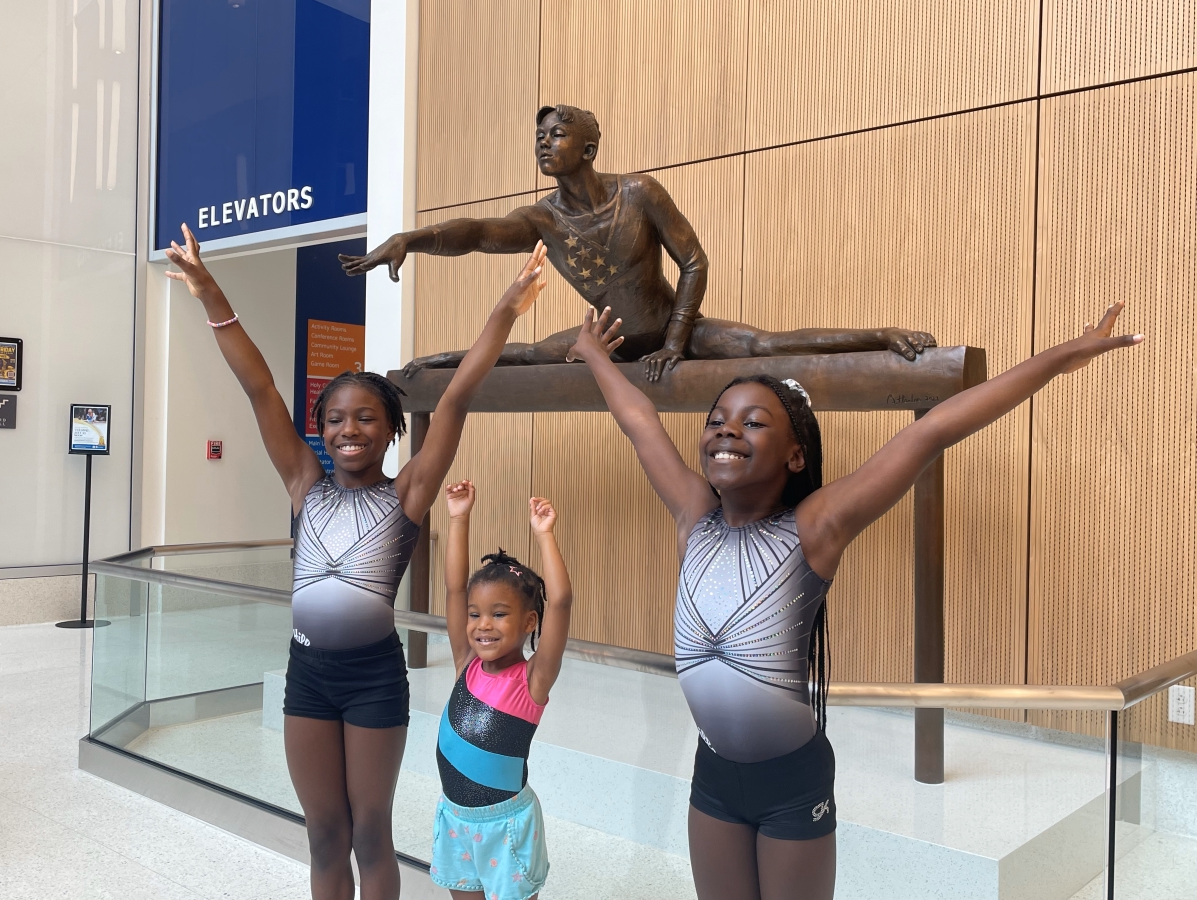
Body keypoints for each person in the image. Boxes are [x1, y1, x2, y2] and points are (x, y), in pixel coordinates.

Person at [565, 302, 1143, 899]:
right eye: (718, 419)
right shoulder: (694, 516)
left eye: (754, 422)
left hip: (791, 781)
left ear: (795, 456)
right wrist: (593, 355)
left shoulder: (815, 527)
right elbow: (638, 418)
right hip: (713, 777)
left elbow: (931, 431)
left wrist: (1060, 358)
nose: (727, 429)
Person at [164, 223, 549, 900]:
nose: (349, 430)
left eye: (367, 418)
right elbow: (260, 390)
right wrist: (207, 289)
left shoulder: (408, 495)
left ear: (393, 429)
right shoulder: (303, 486)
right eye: (336, 418)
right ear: (321, 428)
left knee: (370, 832)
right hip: (307, 676)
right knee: (323, 834)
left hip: (374, 679)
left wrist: (505, 311)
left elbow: (456, 396)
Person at [340, 104, 937, 381]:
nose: (545, 144)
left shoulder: (639, 193)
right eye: (540, 137)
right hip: (611, 342)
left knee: (764, 345)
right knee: (522, 355)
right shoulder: (542, 218)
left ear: (589, 148)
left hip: (673, 331)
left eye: (558, 135)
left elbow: (695, 263)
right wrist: (411, 239)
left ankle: (884, 335)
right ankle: (434, 360)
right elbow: (474, 234)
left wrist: (676, 342)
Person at [430, 480, 572, 900]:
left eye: (499, 614)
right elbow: (455, 589)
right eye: (475, 615)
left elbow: (560, 603)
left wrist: (545, 535)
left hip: (505, 826)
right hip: (455, 818)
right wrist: (458, 518)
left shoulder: (532, 681)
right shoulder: (466, 666)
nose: (482, 624)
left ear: (529, 622)